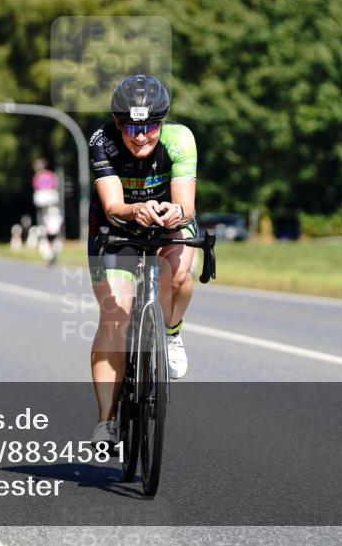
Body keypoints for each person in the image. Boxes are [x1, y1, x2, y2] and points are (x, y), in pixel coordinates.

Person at [86, 74, 198, 447]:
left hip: (167, 220)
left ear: (161, 123)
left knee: (180, 274)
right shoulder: (102, 142)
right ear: (118, 124)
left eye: (149, 126)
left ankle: (172, 333)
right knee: (115, 315)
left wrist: (172, 212)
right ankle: (106, 420)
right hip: (116, 227)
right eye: (131, 127)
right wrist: (136, 210)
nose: (140, 135)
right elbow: (113, 205)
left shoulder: (180, 140)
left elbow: (187, 205)